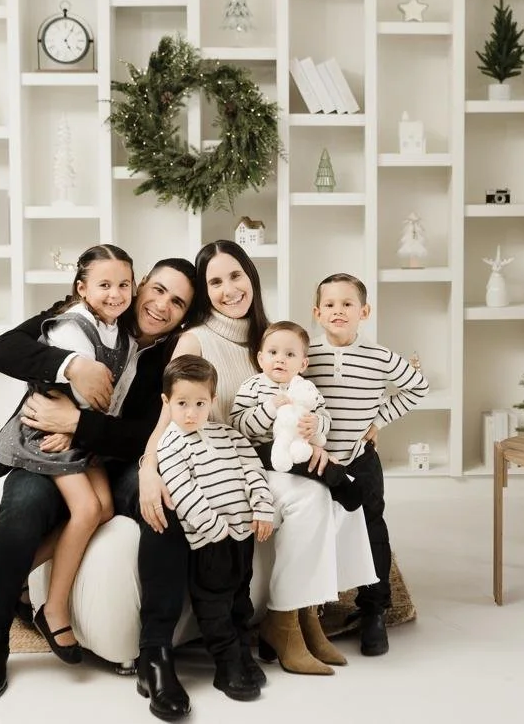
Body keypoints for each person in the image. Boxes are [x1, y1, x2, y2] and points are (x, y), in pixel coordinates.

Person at [136, 240, 378, 680]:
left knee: (339, 493)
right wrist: (148, 467)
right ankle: (282, 622)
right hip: (224, 462)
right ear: (204, 291)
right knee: (308, 496)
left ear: (251, 276)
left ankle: (309, 616)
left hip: (266, 456)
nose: (229, 289)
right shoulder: (196, 338)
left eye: (235, 276)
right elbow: (168, 411)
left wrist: (320, 431)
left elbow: (309, 397)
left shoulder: (269, 336)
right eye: (214, 281)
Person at [0, 257, 196, 716]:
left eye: (177, 302)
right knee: (25, 505)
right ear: (141, 285)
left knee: (166, 503)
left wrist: (79, 423)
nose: (161, 305)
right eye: (157, 290)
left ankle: (156, 652)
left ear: (185, 315)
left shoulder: (175, 354)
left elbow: (149, 430)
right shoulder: (90, 308)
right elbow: (2, 349)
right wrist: (71, 366)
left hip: (117, 457)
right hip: (47, 445)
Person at [0, 244, 136, 664]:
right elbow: (67, 390)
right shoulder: (72, 326)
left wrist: (85, 432)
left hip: (79, 436)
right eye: (104, 284)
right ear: (81, 288)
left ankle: (9, 578)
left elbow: (116, 396)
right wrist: (74, 425)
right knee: (88, 509)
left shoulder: (122, 336)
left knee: (105, 507)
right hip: (48, 431)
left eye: (124, 284)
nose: (115, 293)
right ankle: (53, 608)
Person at [305, 273, 429, 656]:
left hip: (360, 460)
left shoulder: (379, 356)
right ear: (317, 312)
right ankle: (314, 605)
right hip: (318, 462)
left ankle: (374, 609)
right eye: (330, 305)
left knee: (371, 528)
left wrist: (378, 421)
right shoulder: (308, 354)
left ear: (364, 311)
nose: (338, 311)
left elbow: (417, 387)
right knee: (317, 530)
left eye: (347, 304)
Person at [154, 355, 274, 702]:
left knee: (240, 597)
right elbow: (183, 492)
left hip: (243, 535)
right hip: (210, 540)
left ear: (212, 401)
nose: (190, 413)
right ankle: (226, 663)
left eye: (199, 404)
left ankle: (240, 652)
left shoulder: (228, 436)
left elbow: (254, 471)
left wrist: (262, 508)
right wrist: (215, 529)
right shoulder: (170, 445)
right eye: (181, 404)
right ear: (167, 403)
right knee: (215, 603)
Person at [228, 321, 361, 511]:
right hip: (261, 449)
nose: (280, 359)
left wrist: (316, 424)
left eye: (290, 354)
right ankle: (339, 483)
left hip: (298, 444)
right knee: (300, 459)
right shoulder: (253, 386)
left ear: (303, 363)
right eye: (273, 353)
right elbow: (238, 425)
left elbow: (324, 416)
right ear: (260, 358)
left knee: (306, 457)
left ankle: (338, 481)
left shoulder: (305, 388)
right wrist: (269, 408)